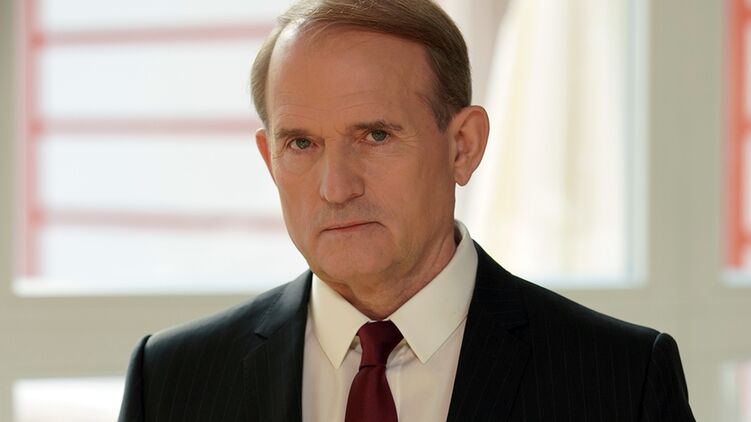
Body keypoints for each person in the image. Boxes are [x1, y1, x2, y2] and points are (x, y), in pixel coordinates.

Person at [118, 1, 696, 421]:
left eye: (375, 135)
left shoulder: (622, 380)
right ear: (270, 160)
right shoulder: (169, 381)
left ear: (462, 146)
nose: (336, 188)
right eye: (302, 143)